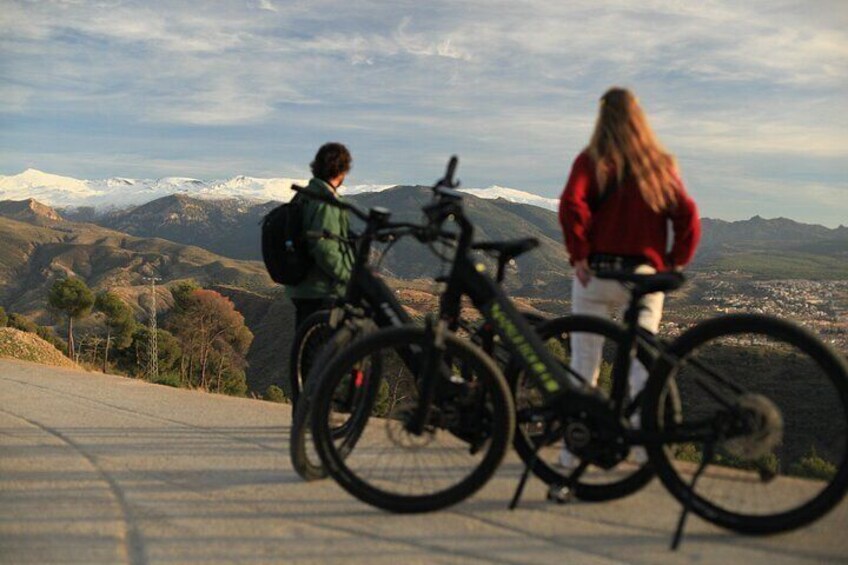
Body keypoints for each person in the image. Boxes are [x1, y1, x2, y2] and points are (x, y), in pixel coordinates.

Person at [558, 87, 701, 468]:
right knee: (641, 365)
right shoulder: (660, 165)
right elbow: (687, 215)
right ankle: (642, 449)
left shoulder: (591, 161)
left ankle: (574, 452)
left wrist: (579, 254)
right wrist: (673, 261)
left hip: (598, 273)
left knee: (583, 363)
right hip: (643, 278)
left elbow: (572, 204)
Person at [288, 142, 355, 329]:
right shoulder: (326, 201)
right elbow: (325, 248)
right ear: (341, 170)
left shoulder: (304, 195)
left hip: (302, 288)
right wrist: (349, 276)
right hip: (322, 290)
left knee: (310, 349)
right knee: (328, 352)